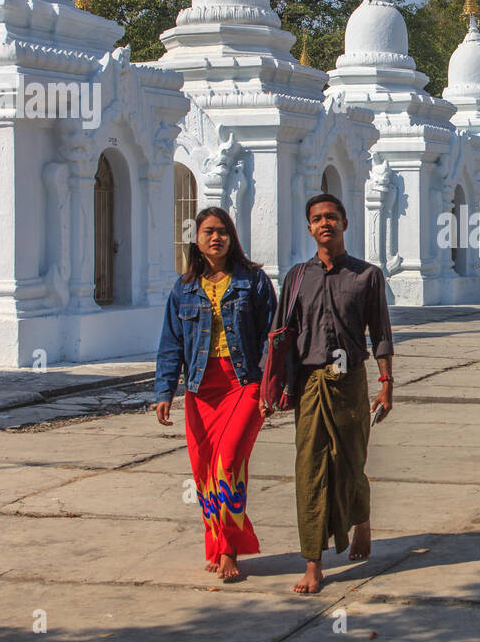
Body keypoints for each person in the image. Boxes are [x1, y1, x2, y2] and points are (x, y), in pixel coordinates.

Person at [155, 207, 277, 581]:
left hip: (242, 384)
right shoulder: (184, 287)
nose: (215, 238)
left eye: (222, 231)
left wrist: (271, 386)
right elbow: (171, 343)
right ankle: (219, 543)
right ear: (197, 238)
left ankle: (228, 550)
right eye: (208, 231)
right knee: (205, 470)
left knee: (227, 462)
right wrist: (164, 390)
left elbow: (272, 337)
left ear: (232, 237)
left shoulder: (253, 281)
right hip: (199, 389)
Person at [281, 193, 394, 595]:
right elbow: (282, 336)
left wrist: (386, 384)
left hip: (350, 380)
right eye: (316, 218)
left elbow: (380, 332)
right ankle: (313, 561)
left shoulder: (367, 275)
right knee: (309, 469)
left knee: (350, 463)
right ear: (309, 228)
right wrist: (272, 387)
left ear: (345, 223)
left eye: (331, 217)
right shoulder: (296, 277)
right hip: (310, 383)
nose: (324, 223)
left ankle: (360, 518)